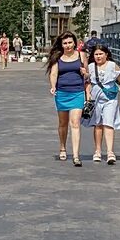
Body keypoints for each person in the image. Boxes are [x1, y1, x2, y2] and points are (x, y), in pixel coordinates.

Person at [82, 44, 120, 164]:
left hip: (110, 99)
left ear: (106, 54)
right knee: (98, 124)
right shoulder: (91, 67)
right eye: (96, 54)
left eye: (100, 54)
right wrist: (88, 95)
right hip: (96, 99)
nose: (98, 56)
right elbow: (87, 82)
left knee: (108, 124)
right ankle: (97, 151)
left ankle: (110, 152)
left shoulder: (112, 66)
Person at [47, 31, 89, 166]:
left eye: (70, 42)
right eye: (65, 43)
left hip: (77, 92)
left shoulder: (81, 56)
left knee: (75, 123)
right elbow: (54, 73)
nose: (68, 45)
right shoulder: (57, 57)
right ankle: (62, 147)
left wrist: (85, 73)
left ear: (74, 43)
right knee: (63, 123)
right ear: (61, 44)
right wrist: (53, 86)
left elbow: (88, 76)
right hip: (62, 93)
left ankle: (76, 156)